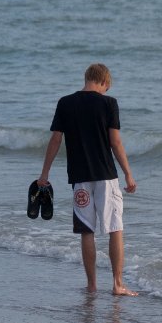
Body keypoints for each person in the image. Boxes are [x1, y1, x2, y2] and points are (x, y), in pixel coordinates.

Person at [37, 63, 138, 296]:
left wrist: (45, 174)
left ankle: (92, 286)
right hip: (106, 177)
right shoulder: (108, 103)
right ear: (103, 81)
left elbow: (55, 140)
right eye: (107, 87)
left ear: (87, 78)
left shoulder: (65, 103)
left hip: (80, 178)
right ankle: (117, 284)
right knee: (115, 228)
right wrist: (128, 173)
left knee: (87, 231)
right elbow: (116, 142)